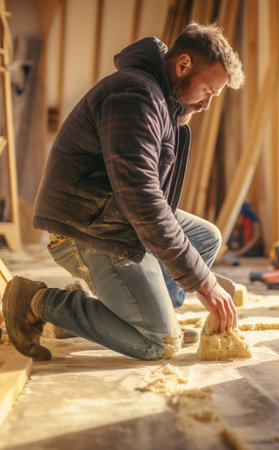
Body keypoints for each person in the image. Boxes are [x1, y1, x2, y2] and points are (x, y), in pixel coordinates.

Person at [2, 22, 245, 362]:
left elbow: (147, 203)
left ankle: (126, 313)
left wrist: (196, 274)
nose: (206, 105)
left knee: (206, 237)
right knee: (159, 343)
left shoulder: (160, 99)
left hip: (111, 216)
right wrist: (204, 283)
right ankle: (37, 301)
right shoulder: (135, 96)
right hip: (85, 229)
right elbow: (142, 200)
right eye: (207, 91)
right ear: (183, 65)